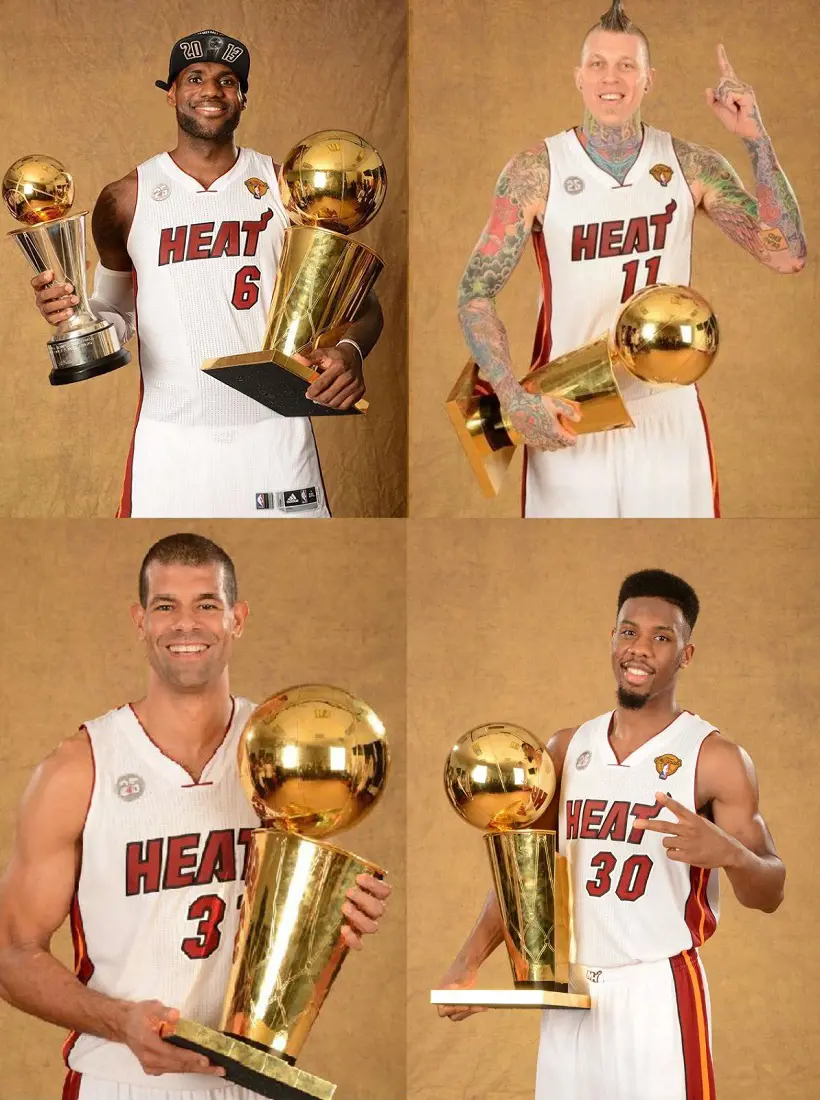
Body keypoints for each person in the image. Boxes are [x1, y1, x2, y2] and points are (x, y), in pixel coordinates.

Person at [0, 533, 391, 1100]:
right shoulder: (79, 768)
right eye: (166, 607)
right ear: (140, 620)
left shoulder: (284, 751)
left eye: (207, 604)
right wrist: (119, 1022)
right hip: (121, 1080)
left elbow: (297, 913)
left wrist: (338, 909)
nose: (187, 624)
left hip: (254, 1079)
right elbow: (12, 952)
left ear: (238, 618)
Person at [437, 568, 784, 1099]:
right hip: (570, 990)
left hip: (656, 989)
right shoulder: (565, 748)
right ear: (611, 637)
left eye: (661, 637)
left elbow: (772, 890)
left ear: (685, 655)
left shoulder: (716, 759)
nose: (639, 649)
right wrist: (467, 961)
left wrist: (731, 854)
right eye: (628, 631)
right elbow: (526, 872)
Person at [458, 0, 806, 518]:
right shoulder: (537, 171)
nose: (611, 77)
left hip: (665, 411)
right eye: (597, 63)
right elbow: (475, 292)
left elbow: (787, 256)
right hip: (570, 408)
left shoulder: (691, 165)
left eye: (627, 65)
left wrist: (757, 141)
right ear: (579, 77)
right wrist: (512, 396)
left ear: (649, 79)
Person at [30, 30, 384, 518]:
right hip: (171, 442)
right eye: (195, 78)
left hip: (273, 436)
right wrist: (75, 316)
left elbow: (364, 308)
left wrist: (350, 351)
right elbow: (114, 312)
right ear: (172, 91)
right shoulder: (125, 199)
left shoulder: (288, 189)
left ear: (242, 98)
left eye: (227, 81)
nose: (211, 91)